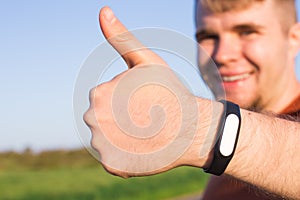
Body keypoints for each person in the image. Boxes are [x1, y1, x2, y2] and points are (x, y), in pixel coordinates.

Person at [83, 1, 300, 199]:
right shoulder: (227, 161)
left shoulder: (227, 146)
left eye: (247, 32)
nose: (222, 55)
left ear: (294, 39)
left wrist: (199, 127)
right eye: (208, 36)